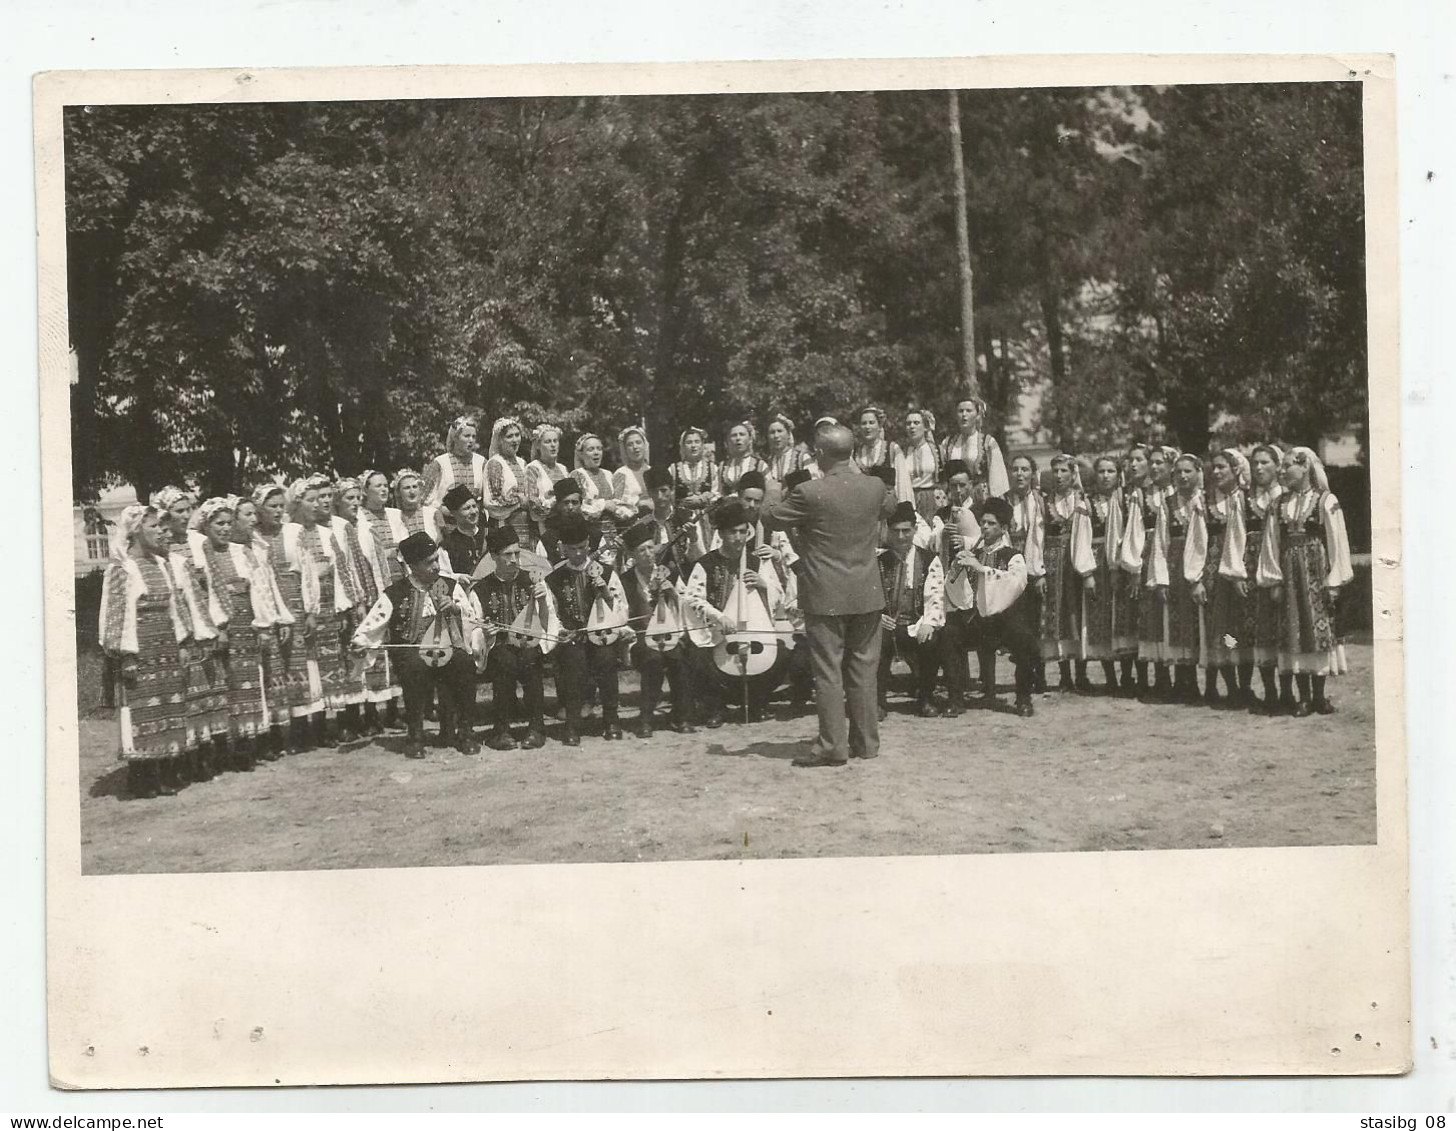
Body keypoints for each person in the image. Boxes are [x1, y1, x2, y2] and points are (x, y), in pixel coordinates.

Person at [764, 423, 897, 766]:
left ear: (821, 455)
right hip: (867, 593)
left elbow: (770, 517)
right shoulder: (874, 487)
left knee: (828, 672)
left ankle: (832, 746)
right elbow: (891, 506)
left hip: (825, 596)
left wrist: (771, 489)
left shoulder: (810, 492)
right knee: (864, 671)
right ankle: (867, 743)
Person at [351, 531, 484, 757]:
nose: (436, 567)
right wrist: (360, 642)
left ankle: (464, 731)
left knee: (463, 662)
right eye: (429, 562)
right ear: (412, 565)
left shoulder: (451, 586)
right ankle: (415, 736)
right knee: (415, 666)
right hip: (412, 653)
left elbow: (472, 618)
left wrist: (455, 609)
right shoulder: (395, 593)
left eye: (436, 560)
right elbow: (375, 621)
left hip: (447, 649)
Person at [99, 504, 198, 798]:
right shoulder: (122, 568)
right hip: (140, 650)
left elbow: (175, 607)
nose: (159, 532)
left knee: (168, 707)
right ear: (136, 530)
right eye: (153, 526)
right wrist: (126, 655)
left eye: (160, 527)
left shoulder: (163, 564)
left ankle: (166, 772)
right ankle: (142, 778)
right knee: (142, 710)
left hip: (165, 645)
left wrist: (182, 642)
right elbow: (117, 614)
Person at [190, 496, 291, 771]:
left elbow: (257, 588)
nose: (223, 529)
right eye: (217, 524)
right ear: (206, 526)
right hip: (220, 627)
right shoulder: (201, 552)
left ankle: (248, 747)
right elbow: (203, 592)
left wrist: (262, 624)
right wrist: (218, 627)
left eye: (227, 523)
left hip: (246, 624)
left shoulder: (241, 551)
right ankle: (222, 751)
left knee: (249, 683)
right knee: (223, 686)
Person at [1258, 446, 1354, 716]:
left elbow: (1337, 542)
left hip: (1316, 574)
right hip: (1289, 576)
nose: (1283, 470)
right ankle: (1302, 697)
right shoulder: (1278, 504)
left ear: (1305, 468)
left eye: (1288, 465)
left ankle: (1320, 696)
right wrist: (1274, 580)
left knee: (1318, 630)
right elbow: (1271, 543)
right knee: (1294, 631)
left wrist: (1335, 581)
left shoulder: (1325, 500)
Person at [683, 497, 789, 726]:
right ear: (720, 534)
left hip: (753, 630)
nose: (739, 538)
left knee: (780, 653)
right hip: (718, 633)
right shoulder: (706, 563)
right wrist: (719, 617)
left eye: (743, 531)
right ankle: (715, 707)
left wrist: (763, 584)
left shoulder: (756, 561)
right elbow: (692, 599)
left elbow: (779, 595)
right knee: (697, 656)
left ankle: (756, 703)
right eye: (733, 532)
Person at [152, 486, 226, 782]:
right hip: (175, 625)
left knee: (208, 690)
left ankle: (209, 754)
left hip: (203, 619)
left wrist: (219, 623)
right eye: (178, 511)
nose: (184, 516)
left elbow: (216, 583)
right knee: (182, 693)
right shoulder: (161, 545)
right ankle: (182, 758)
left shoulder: (200, 541)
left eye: (187, 510)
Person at [282, 476, 362, 745]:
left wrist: (346, 606)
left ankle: (335, 723)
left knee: (332, 663)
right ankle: (305, 729)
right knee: (306, 665)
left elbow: (343, 570)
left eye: (319, 500)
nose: (317, 505)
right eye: (310, 500)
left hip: (329, 605)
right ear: (297, 503)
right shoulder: (288, 532)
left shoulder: (327, 533)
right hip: (300, 606)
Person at [545, 512, 631, 745]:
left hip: (602, 635)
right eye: (572, 549)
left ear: (589, 544)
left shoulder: (606, 572)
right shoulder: (554, 578)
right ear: (563, 548)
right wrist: (561, 631)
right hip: (572, 638)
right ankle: (572, 723)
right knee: (574, 660)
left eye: (582, 547)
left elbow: (622, 611)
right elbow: (550, 614)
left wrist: (605, 594)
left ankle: (611, 719)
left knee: (605, 657)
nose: (579, 553)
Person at [957, 497, 1040, 717]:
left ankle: (1023, 698)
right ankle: (956, 698)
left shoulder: (1014, 556)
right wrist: (960, 568)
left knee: (1023, 639)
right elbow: (959, 589)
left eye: (991, 523)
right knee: (950, 633)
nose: (985, 527)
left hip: (1005, 620)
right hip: (977, 618)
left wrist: (982, 569)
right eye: (983, 522)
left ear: (1003, 529)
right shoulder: (974, 553)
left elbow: (1015, 584)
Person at [473, 525, 554, 750]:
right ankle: (501, 731)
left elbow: (547, 623)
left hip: (528, 645)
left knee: (530, 656)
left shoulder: (533, 580)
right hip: (497, 649)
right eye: (508, 555)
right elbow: (475, 627)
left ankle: (537, 728)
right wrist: (485, 634)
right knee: (504, 659)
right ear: (493, 557)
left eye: (517, 553)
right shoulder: (481, 589)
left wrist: (541, 602)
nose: (514, 559)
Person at [620, 522, 694, 737]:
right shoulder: (626, 580)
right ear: (633, 555)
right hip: (640, 637)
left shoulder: (668, 573)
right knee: (652, 658)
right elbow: (621, 614)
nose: (648, 554)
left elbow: (685, 605)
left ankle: (682, 716)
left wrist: (672, 594)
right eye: (641, 550)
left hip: (670, 632)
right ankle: (646, 719)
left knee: (678, 657)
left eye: (651, 548)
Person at [876, 501, 945, 719]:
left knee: (931, 640)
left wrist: (928, 622)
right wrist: (877, 617)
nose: (901, 536)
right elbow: (867, 595)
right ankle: (878, 702)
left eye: (906, 531)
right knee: (874, 641)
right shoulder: (878, 560)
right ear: (888, 531)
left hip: (916, 622)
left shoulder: (929, 560)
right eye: (895, 531)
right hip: (888, 625)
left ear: (915, 530)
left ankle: (926, 698)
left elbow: (936, 595)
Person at [1121, 444, 1178, 700]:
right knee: (1151, 619)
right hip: (1147, 561)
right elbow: (1133, 532)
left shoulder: (1180, 493)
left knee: (1176, 617)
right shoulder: (1141, 495)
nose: (1154, 467)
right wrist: (1134, 569)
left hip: (1174, 559)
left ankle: (1184, 678)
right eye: (1151, 463)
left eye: (1159, 463)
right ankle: (1157, 677)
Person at [1202, 449, 1253, 706]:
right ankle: (1231, 687)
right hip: (1215, 573)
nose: (1216, 472)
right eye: (1214, 468)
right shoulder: (1206, 501)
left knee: (1243, 628)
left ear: (1236, 470)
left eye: (1222, 467)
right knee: (1224, 632)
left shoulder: (1248, 498)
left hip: (1244, 569)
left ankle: (1245, 686)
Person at [1078, 455, 1133, 693]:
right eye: (1101, 471)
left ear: (1118, 474)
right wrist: (1087, 573)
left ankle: (1128, 676)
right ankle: (1110, 677)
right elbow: (1081, 539)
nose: (1106, 476)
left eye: (1111, 471)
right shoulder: (1087, 502)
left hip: (1125, 562)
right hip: (1098, 563)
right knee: (1101, 619)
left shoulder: (1129, 499)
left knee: (1126, 618)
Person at [1041, 454, 1096, 693]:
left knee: (1078, 614)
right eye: (1056, 471)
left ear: (1073, 474)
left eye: (1064, 471)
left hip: (1076, 564)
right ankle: (1064, 675)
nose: (1059, 475)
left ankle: (1081, 674)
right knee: (1057, 616)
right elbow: (1039, 536)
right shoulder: (1045, 502)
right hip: (1053, 564)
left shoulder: (1083, 501)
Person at [1240, 444, 1286, 713]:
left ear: (1277, 466)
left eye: (1264, 462)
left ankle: (1287, 690)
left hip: (1279, 565)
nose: (1258, 468)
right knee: (1250, 630)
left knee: (1280, 628)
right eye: (1255, 463)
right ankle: (1264, 689)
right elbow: (1234, 536)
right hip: (1249, 569)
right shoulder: (1243, 500)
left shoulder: (1285, 497)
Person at [1166, 454, 1209, 703]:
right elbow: (1162, 542)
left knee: (1206, 625)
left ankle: (1216, 682)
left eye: (1188, 471)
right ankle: (1184, 680)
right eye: (1179, 472)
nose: (1183, 477)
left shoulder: (1208, 501)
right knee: (1179, 624)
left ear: (1198, 472)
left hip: (1203, 569)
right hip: (1175, 571)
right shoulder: (1168, 503)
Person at [1004, 454, 1046, 691]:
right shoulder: (1003, 501)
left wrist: (1038, 573)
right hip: (1010, 568)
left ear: (1032, 473)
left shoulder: (1040, 502)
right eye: (1015, 469)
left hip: (1033, 567)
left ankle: (1037, 672)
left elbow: (1041, 539)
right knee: (1014, 623)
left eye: (1025, 469)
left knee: (1033, 622)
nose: (1020, 474)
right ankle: (1023, 670)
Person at [939, 397, 1009, 504]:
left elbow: (997, 476)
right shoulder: (947, 443)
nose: (964, 414)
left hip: (979, 497)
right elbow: (942, 475)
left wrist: (995, 501)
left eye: (969, 411)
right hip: (954, 496)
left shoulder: (988, 442)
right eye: (960, 411)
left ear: (977, 415)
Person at [483, 417, 532, 544]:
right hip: (503, 523)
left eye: (517, 435)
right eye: (509, 436)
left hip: (524, 522)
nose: (515, 440)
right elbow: (492, 500)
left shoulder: (522, 463)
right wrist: (519, 501)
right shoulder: (495, 463)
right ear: (499, 440)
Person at [671, 427, 720, 554]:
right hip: (682, 521)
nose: (693, 446)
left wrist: (703, 499)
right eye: (689, 442)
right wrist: (682, 503)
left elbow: (717, 494)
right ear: (683, 446)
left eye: (697, 442)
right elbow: (669, 497)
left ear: (702, 445)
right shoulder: (673, 469)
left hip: (707, 520)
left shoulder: (712, 468)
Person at [422, 416, 486, 507]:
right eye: (467, 436)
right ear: (455, 438)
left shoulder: (481, 462)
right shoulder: (440, 463)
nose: (471, 440)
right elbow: (424, 497)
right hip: (444, 518)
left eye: (474, 437)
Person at [525, 423, 570, 540]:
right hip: (544, 527)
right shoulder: (533, 468)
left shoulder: (563, 469)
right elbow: (534, 504)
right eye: (548, 442)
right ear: (539, 446)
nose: (553, 445)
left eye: (555, 441)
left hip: (566, 525)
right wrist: (557, 501)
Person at [895, 407, 940, 522]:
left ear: (925, 427)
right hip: (908, 498)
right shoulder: (901, 452)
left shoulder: (936, 450)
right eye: (908, 424)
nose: (912, 427)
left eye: (916, 423)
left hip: (932, 499)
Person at [439, 484, 488, 578]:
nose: (473, 512)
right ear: (454, 514)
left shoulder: (490, 536)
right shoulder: (447, 545)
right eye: (466, 508)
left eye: (474, 506)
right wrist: (458, 577)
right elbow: (443, 576)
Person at [612, 425, 656, 518]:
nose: (635, 447)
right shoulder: (621, 474)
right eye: (630, 444)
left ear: (645, 445)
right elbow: (617, 505)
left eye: (638, 442)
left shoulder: (652, 471)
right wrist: (639, 503)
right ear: (625, 450)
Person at [854, 406, 903, 482]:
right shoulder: (855, 452)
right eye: (864, 423)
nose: (867, 427)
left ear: (879, 426)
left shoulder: (892, 449)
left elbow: (902, 480)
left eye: (871, 423)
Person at [393, 468, 444, 542]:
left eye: (415, 487)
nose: (412, 491)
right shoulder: (395, 516)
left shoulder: (433, 513)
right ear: (398, 492)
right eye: (407, 488)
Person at [719, 421, 767, 496]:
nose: (738, 438)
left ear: (750, 439)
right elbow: (718, 492)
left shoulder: (760, 465)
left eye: (742, 434)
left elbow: (767, 492)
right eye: (734, 435)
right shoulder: (723, 466)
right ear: (728, 440)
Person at [763, 413, 805, 499]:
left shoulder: (801, 456)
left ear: (788, 434)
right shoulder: (767, 462)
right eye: (772, 432)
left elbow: (813, 483)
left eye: (779, 431)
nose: (776, 436)